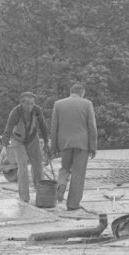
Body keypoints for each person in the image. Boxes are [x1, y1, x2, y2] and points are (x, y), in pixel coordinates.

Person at [49, 82, 97, 211]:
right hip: (82, 144)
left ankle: (61, 184)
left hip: (64, 144)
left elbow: (54, 128)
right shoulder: (87, 104)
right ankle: (72, 204)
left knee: (65, 168)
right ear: (82, 93)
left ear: (71, 92)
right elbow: (91, 126)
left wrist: (53, 147)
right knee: (78, 174)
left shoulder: (58, 104)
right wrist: (93, 146)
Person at [0, 92, 51, 204]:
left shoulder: (37, 110)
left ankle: (41, 195)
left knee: (38, 166)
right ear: (22, 103)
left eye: (32, 103)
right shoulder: (16, 112)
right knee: (22, 165)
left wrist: (47, 143)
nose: (30, 106)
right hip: (17, 140)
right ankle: (24, 197)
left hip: (32, 139)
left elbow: (43, 126)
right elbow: (7, 130)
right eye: (27, 104)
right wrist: (4, 147)